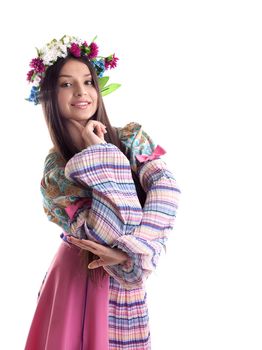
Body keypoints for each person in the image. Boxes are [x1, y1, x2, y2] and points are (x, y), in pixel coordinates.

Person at [24, 34, 180, 350]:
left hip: (124, 283)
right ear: (50, 95)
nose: (81, 92)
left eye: (88, 81)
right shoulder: (55, 171)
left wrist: (133, 253)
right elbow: (105, 232)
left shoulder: (132, 136)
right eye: (67, 84)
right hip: (80, 276)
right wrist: (103, 156)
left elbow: (166, 189)